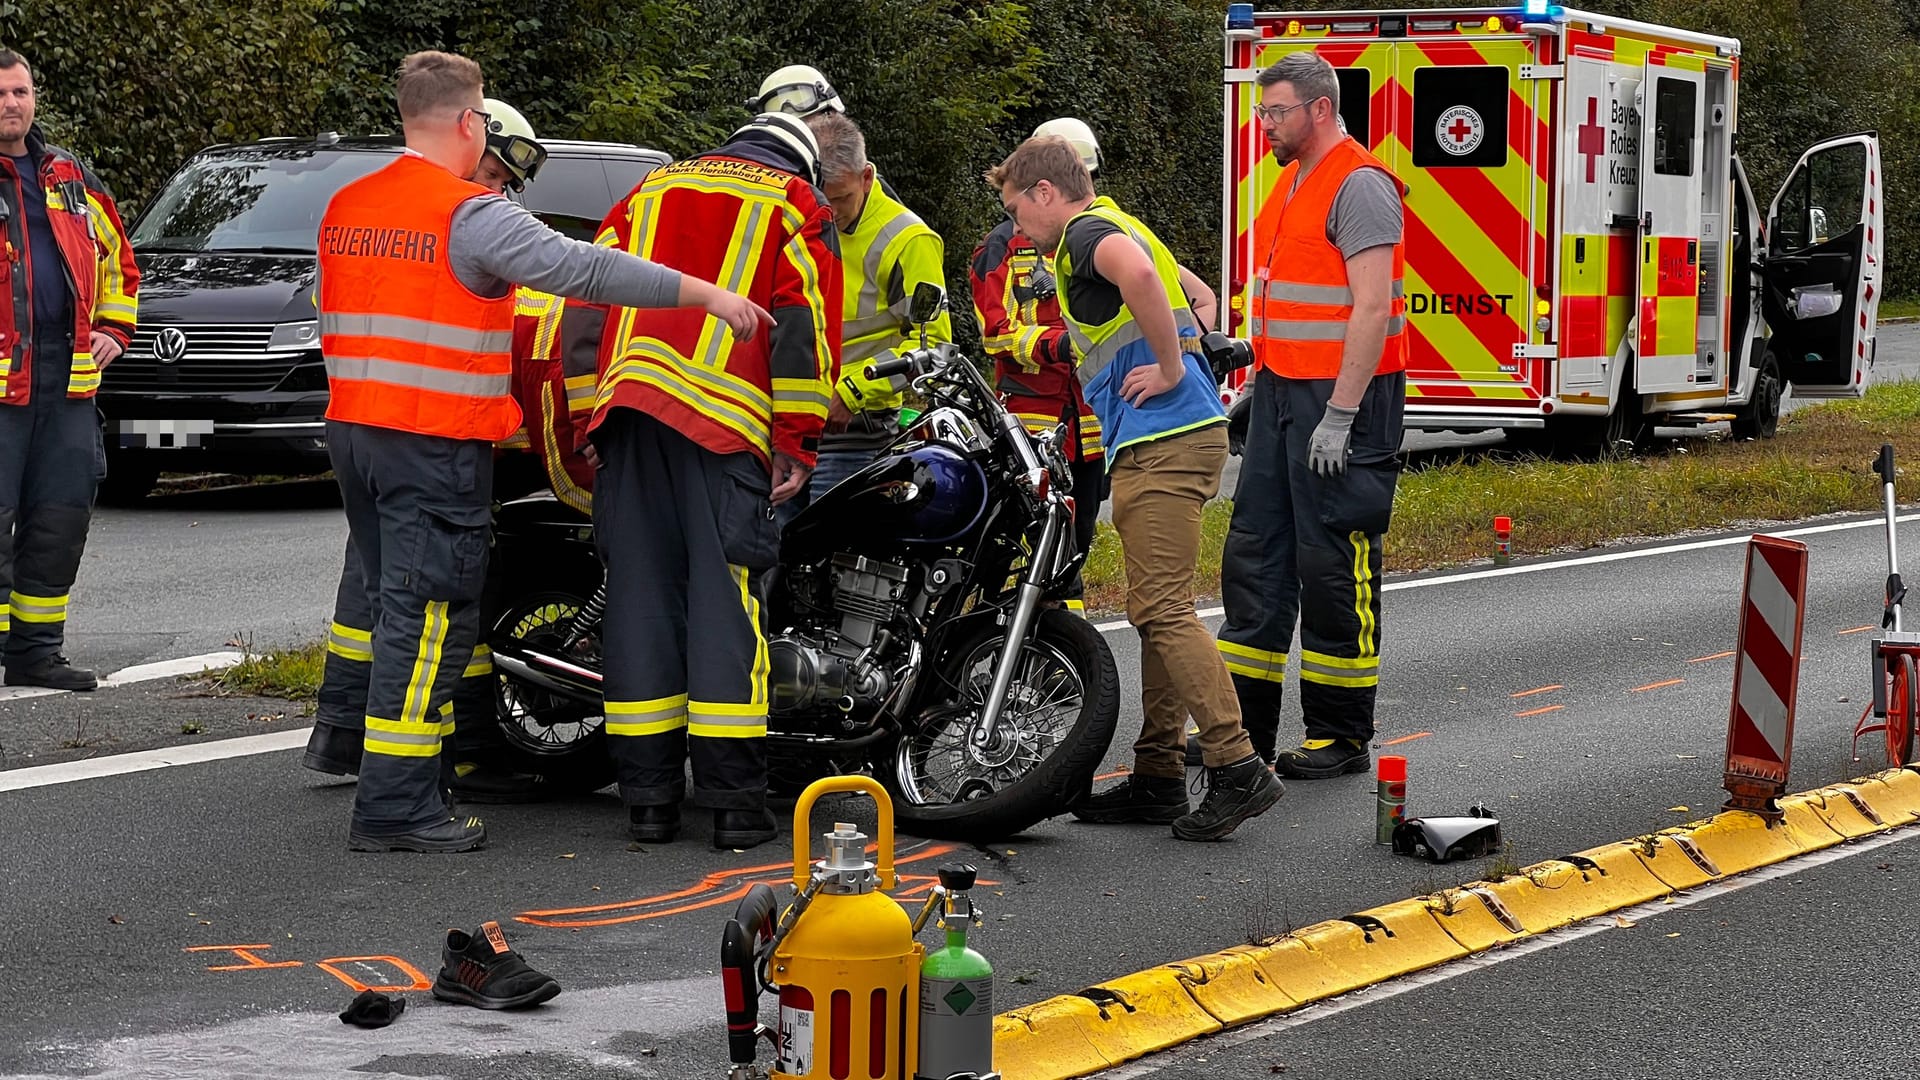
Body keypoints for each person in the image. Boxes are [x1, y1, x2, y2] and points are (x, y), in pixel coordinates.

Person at [318, 52, 771, 854]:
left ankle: (387, 770)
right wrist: (706, 295)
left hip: (357, 434)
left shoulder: (348, 205)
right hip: (433, 441)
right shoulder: (468, 214)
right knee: (427, 624)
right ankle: (395, 806)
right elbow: (581, 269)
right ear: (470, 123)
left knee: (395, 609)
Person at [988, 134, 1282, 842]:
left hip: (1165, 441)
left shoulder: (1089, 236)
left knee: (1162, 610)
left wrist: (1173, 370)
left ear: (1045, 193)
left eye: (1017, 211)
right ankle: (1156, 777)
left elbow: (1144, 280)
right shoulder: (1122, 220)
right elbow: (1200, 294)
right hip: (1171, 439)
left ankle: (1236, 763)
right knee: (1158, 609)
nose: (1016, 229)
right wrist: (1180, 354)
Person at [572, 112, 840, 850]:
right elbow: (802, 323)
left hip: (627, 419)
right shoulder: (794, 203)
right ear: (804, 163)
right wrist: (797, 440)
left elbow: (586, 302)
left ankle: (649, 804)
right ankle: (732, 806)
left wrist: (582, 426)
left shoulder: (649, 189)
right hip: (725, 432)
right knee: (726, 608)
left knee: (638, 604)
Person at [302, 97, 578, 804]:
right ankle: (408, 773)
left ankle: (360, 736)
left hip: (370, 434)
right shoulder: (456, 223)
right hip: (433, 438)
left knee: (388, 591)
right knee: (429, 600)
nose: (495, 191)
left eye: (504, 184)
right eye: (490, 172)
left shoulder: (369, 210)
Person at [1216, 51, 1408, 779]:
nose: (1265, 124)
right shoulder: (1293, 180)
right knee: (1256, 555)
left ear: (1319, 110)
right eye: (1263, 111)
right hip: (1280, 393)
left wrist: (1340, 414)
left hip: (1342, 402)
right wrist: (1252, 369)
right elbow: (1289, 298)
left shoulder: (1358, 185)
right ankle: (1243, 736)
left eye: (1277, 111)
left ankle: (1341, 735)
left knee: (1334, 560)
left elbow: (1370, 308)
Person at [970, 117, 1218, 615]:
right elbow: (996, 331)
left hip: (1093, 417)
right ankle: (994, 642)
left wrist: (1184, 349)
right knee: (1015, 542)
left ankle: (1070, 659)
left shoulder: (1096, 234)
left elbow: (1192, 295)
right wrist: (1059, 347)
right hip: (1032, 417)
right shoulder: (1002, 246)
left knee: (1075, 543)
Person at [0, 50, 139, 691]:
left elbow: (116, 259)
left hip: (67, 380)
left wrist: (113, 329)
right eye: (1, 94)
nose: (11, 104)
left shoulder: (66, 174)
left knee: (59, 519)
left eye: (21, 91)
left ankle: (35, 652)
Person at [796, 110, 949, 508]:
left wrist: (853, 391)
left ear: (867, 178)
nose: (829, 211)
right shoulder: (796, 215)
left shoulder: (907, 240)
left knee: (822, 550)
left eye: (841, 198)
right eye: (820, 196)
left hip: (852, 431)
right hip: (785, 420)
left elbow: (934, 348)